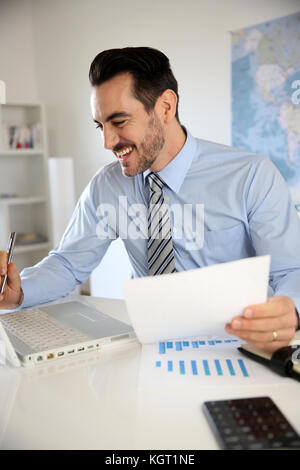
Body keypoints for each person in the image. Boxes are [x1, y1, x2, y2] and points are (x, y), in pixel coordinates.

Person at [0, 47, 299, 353]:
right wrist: (19, 291)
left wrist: (291, 308)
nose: (107, 142)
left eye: (119, 122)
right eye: (100, 126)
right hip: (153, 349)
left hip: (241, 348)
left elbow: (290, 271)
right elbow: (67, 263)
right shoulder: (108, 185)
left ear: (166, 107)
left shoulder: (250, 175)